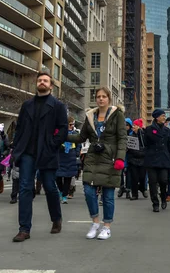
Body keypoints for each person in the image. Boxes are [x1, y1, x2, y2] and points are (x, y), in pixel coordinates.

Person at [10, 72, 68, 242]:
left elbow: (63, 129)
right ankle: (24, 229)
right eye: (39, 80)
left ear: (51, 86)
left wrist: (53, 143)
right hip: (27, 152)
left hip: (47, 152)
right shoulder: (27, 105)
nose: (42, 82)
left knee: (50, 187)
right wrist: (16, 148)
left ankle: (56, 219)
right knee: (25, 188)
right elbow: (19, 127)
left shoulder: (57, 106)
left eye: (45, 80)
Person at [70, 87, 126, 240]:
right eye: (98, 96)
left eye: (104, 96)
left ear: (109, 99)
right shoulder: (90, 116)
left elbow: (122, 138)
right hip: (93, 158)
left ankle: (106, 226)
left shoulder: (117, 115)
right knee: (88, 191)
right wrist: (63, 135)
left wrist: (120, 158)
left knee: (108, 196)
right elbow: (81, 138)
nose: (101, 99)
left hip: (110, 158)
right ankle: (95, 222)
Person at [143, 109, 170, 213]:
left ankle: (163, 198)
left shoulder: (166, 131)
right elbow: (145, 144)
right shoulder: (149, 129)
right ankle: (155, 203)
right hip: (152, 160)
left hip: (164, 159)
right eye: (162, 116)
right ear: (157, 118)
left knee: (163, 180)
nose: (164, 118)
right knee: (152, 183)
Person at [56, 116, 80, 204]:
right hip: (60, 156)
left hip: (71, 156)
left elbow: (78, 144)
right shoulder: (59, 133)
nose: (72, 126)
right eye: (70, 124)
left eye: (73, 124)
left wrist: (77, 152)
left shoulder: (75, 133)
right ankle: (61, 191)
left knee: (68, 177)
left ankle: (65, 195)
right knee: (58, 176)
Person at [127, 119, 147, 200]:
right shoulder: (131, 137)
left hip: (143, 160)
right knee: (134, 178)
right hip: (133, 160)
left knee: (142, 177)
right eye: (133, 125)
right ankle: (134, 194)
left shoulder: (144, 136)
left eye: (135, 125)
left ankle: (142, 188)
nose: (133, 127)